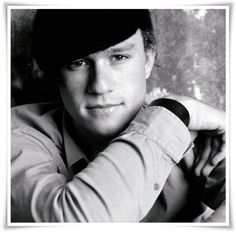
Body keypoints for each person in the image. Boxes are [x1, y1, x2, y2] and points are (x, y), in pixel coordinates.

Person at [11, 9, 226, 222]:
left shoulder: (189, 132)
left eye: (119, 57)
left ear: (148, 61)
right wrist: (175, 111)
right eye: (78, 63)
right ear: (56, 75)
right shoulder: (16, 136)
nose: (100, 86)